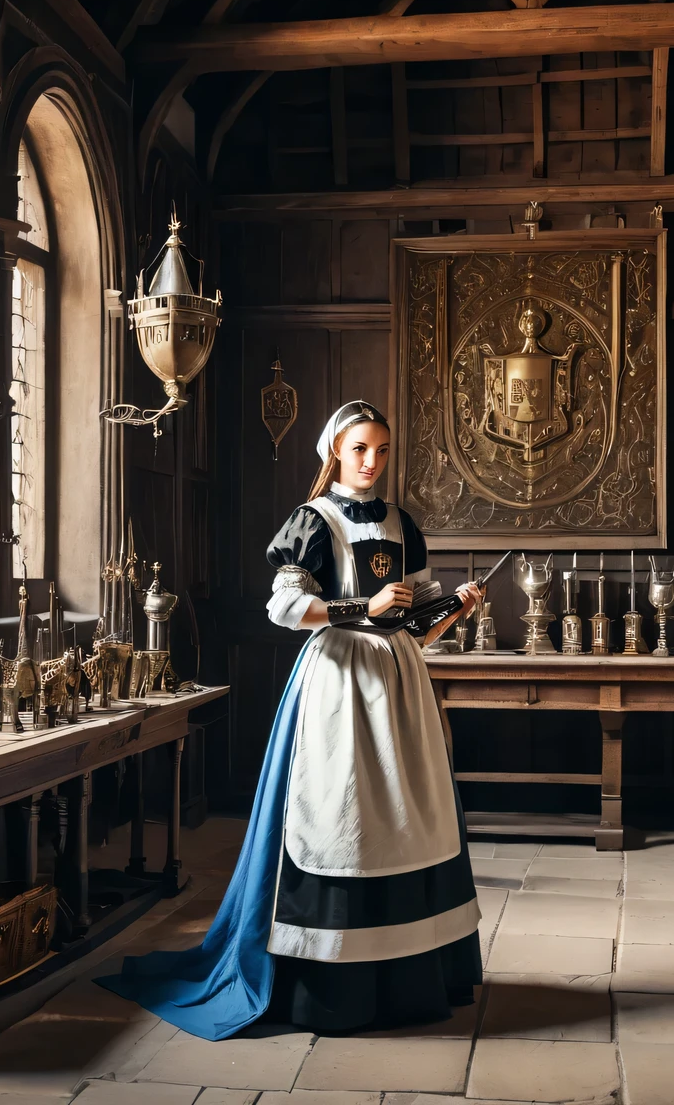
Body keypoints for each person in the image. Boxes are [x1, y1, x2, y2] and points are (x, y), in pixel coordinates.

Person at [98, 400, 485, 1039]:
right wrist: (363, 604)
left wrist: (454, 611)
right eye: (360, 449)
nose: (372, 462)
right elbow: (285, 608)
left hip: (400, 683)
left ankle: (411, 979)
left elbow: (414, 625)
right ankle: (329, 984)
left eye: (382, 450)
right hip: (338, 684)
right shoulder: (313, 520)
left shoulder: (401, 522)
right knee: (342, 816)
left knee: (408, 817)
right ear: (336, 450)